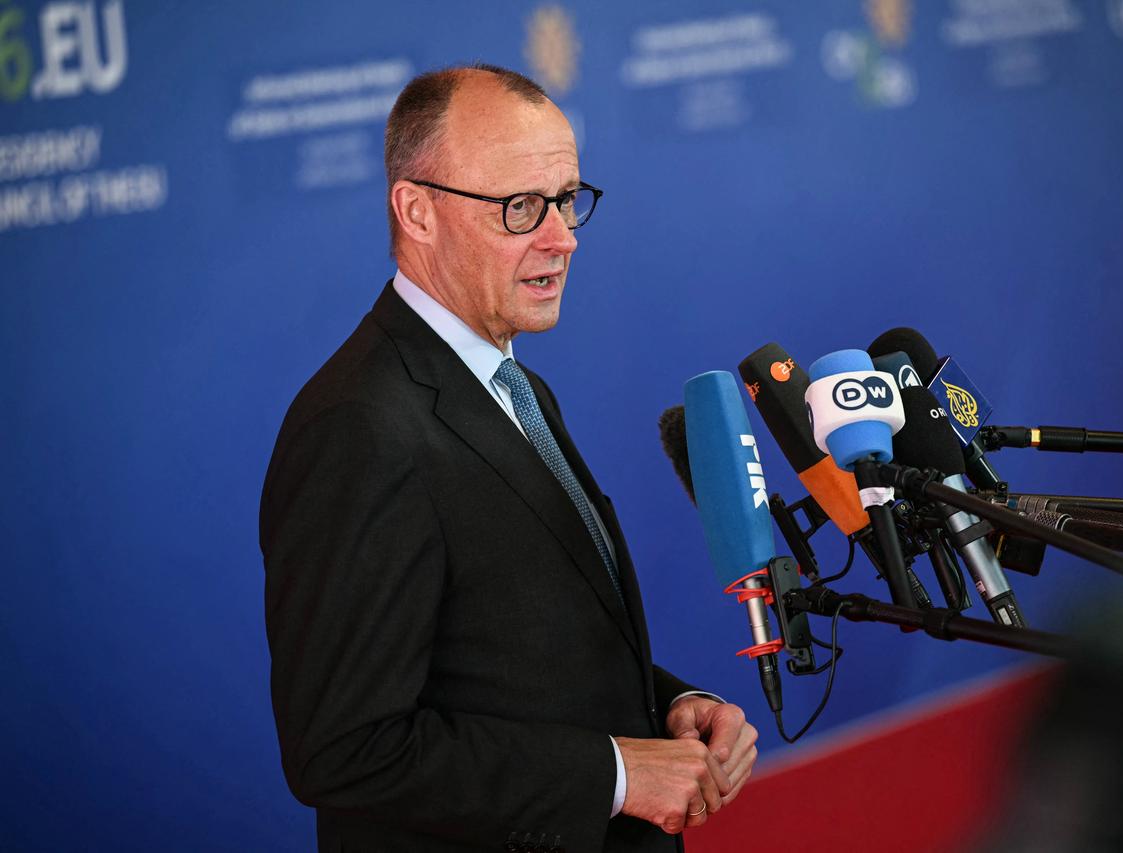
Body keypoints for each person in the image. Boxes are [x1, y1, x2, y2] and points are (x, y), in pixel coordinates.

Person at [260, 63, 757, 853]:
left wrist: (667, 708)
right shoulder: (356, 428)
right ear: (417, 211)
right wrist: (615, 774)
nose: (562, 237)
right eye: (520, 207)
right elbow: (345, 748)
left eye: (566, 199)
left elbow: (513, 655)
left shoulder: (511, 383)